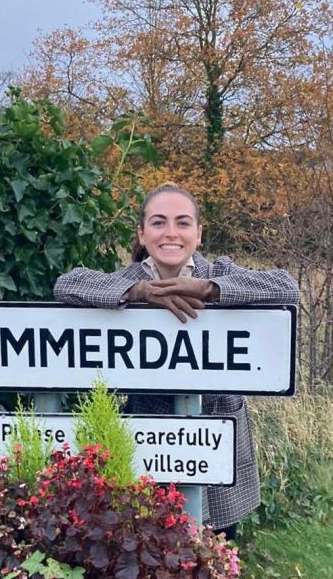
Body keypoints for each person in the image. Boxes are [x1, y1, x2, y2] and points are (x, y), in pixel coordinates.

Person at [52, 182, 299, 537]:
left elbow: (286, 286)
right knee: (152, 547)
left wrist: (213, 291)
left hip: (216, 446)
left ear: (198, 233)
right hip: (149, 447)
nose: (171, 233)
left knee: (215, 552)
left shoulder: (220, 271)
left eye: (183, 223)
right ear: (142, 233)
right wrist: (137, 294)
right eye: (158, 222)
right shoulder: (128, 279)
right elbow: (67, 284)